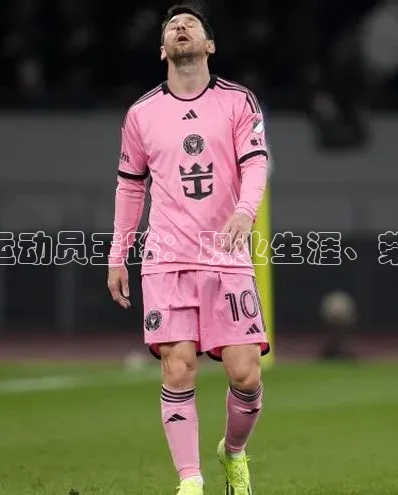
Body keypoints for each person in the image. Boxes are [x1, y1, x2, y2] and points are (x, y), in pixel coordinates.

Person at [106, 4, 270, 494]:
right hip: (166, 257)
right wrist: (118, 254)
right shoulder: (141, 114)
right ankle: (190, 481)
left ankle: (233, 453)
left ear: (209, 45)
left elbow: (256, 164)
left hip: (226, 255)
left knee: (245, 375)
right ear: (162, 50)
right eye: (172, 26)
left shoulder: (238, 101)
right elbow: (130, 186)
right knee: (177, 368)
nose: (180, 28)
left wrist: (245, 211)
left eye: (190, 24)